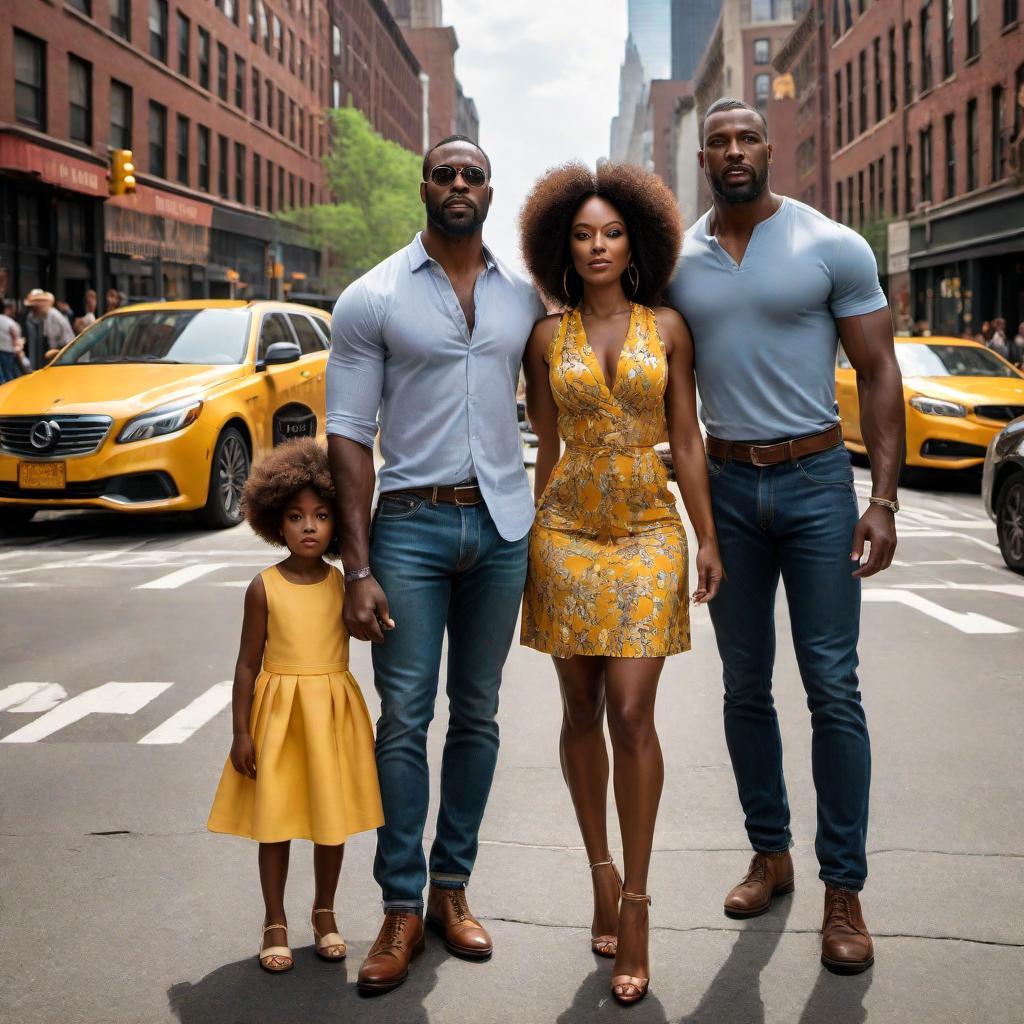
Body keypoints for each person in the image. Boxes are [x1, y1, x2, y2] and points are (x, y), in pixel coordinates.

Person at [667, 98, 905, 976]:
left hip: (814, 484)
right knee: (742, 686)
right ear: (704, 159)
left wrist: (881, 500)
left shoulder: (831, 244)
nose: (734, 152)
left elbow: (880, 372)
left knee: (832, 686)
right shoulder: (678, 261)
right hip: (726, 487)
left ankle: (844, 886)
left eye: (746, 138)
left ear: (768, 150)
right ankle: (771, 853)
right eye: (719, 142)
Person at [326, 135, 545, 995]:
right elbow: (348, 437)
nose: (459, 185)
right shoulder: (371, 297)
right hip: (410, 530)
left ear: (491, 191)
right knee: (404, 718)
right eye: (445, 173)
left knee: (480, 714)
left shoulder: (524, 297)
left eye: (473, 175)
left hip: (500, 527)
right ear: (425, 186)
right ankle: (400, 906)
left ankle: (452, 889)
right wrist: (357, 566)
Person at [519, 162, 723, 1006]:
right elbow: (546, 447)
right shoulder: (543, 339)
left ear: (634, 242)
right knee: (579, 713)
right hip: (566, 532)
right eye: (582, 234)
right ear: (561, 247)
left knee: (632, 712)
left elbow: (688, 437)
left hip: (646, 529)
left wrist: (706, 538)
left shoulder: (669, 328)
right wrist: (534, 541)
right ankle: (598, 870)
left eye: (611, 232)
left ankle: (635, 903)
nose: (598, 245)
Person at [207, 438, 384, 973]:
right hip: (279, 716)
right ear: (274, 523)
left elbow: (371, 626)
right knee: (276, 821)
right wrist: (241, 732)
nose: (309, 526)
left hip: (331, 714)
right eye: (296, 516)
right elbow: (245, 664)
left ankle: (325, 911)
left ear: (337, 524)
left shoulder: (343, 586)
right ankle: (275, 919)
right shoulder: (263, 588)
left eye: (323, 515)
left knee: (331, 822)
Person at [22, 289, 73, 369]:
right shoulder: (34, 317)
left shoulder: (54, 316)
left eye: (34, 307)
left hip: (60, 354)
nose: (32, 310)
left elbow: (54, 342)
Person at [0, 301, 24, 384]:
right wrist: (19, 351)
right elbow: (15, 338)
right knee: (9, 374)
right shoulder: (10, 322)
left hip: (3, 349)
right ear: (7, 309)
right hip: (8, 350)